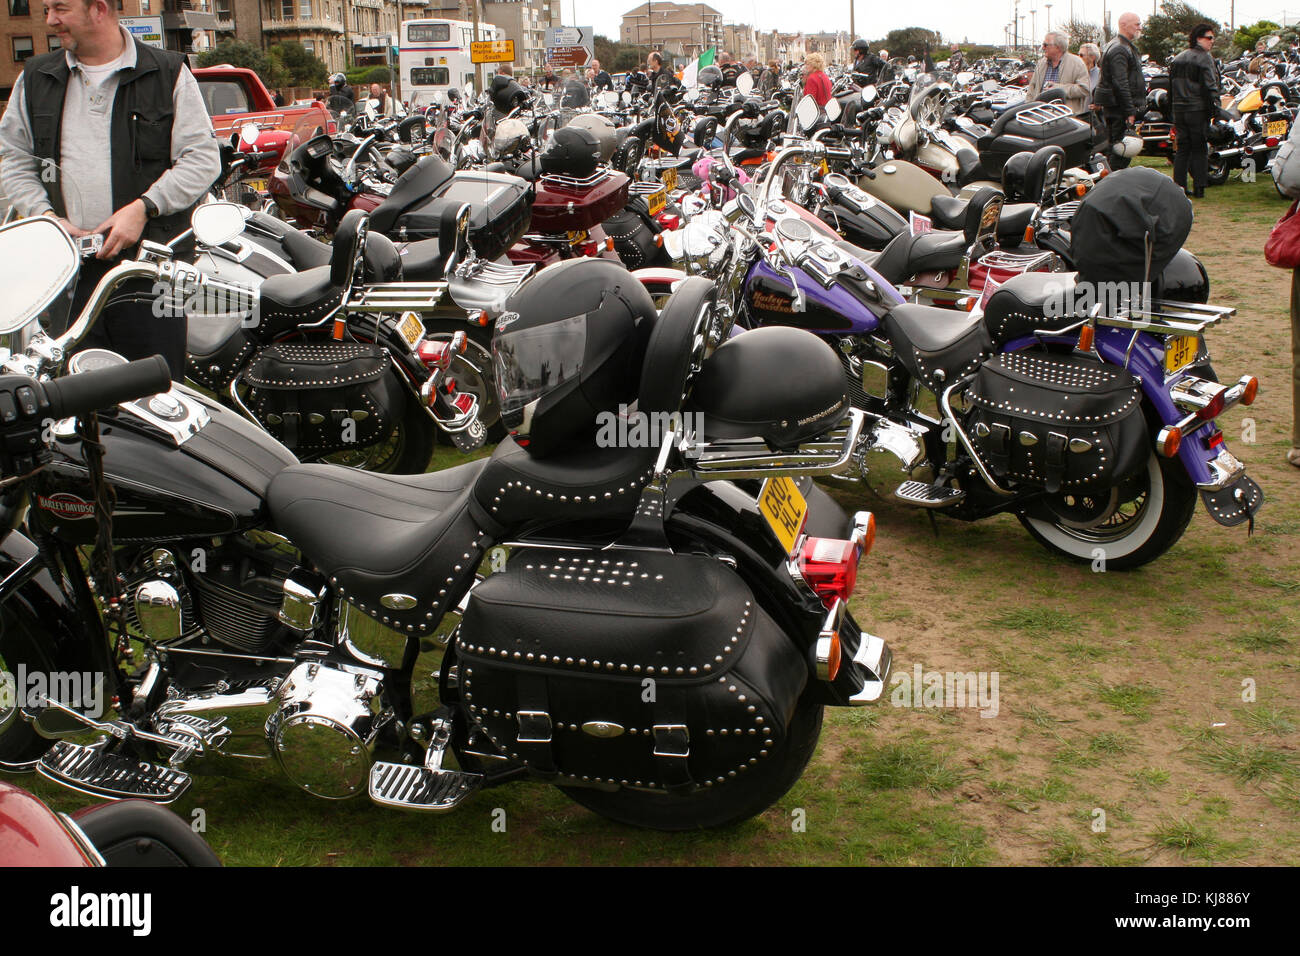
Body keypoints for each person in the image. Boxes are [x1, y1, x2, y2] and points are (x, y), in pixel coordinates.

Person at [0, 0, 221, 380]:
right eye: (48, 9)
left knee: (156, 394)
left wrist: (144, 208)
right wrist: (47, 218)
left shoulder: (167, 72)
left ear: (99, 9)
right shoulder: (36, 77)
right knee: (74, 397)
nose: (50, 20)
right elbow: (14, 159)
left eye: (61, 9)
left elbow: (201, 159)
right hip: (68, 275)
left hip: (152, 272)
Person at [1169, 23, 1221, 198]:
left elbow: (1171, 87)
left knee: (1182, 149)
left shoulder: (1178, 58)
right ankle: (1199, 187)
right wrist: (1216, 107)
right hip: (1197, 109)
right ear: (1199, 38)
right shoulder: (1205, 58)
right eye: (1209, 37)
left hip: (1179, 109)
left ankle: (1179, 187)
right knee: (1199, 149)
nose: (1212, 41)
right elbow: (1210, 85)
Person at [1093, 12, 1146, 168]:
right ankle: (1112, 185)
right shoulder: (1120, 48)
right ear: (1123, 24)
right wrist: (1129, 111)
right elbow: (1120, 82)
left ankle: (1111, 183)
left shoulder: (1120, 46)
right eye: (1136, 24)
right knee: (1121, 149)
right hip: (1118, 108)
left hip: (1116, 106)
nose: (1139, 27)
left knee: (1117, 149)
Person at [1026, 31, 1091, 114]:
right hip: (1040, 117)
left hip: (1064, 119)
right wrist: (1028, 109)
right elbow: (1032, 88)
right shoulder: (1041, 63)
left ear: (1058, 47)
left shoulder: (1077, 63)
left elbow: (1084, 89)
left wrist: (1059, 89)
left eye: (1045, 45)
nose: (1043, 47)